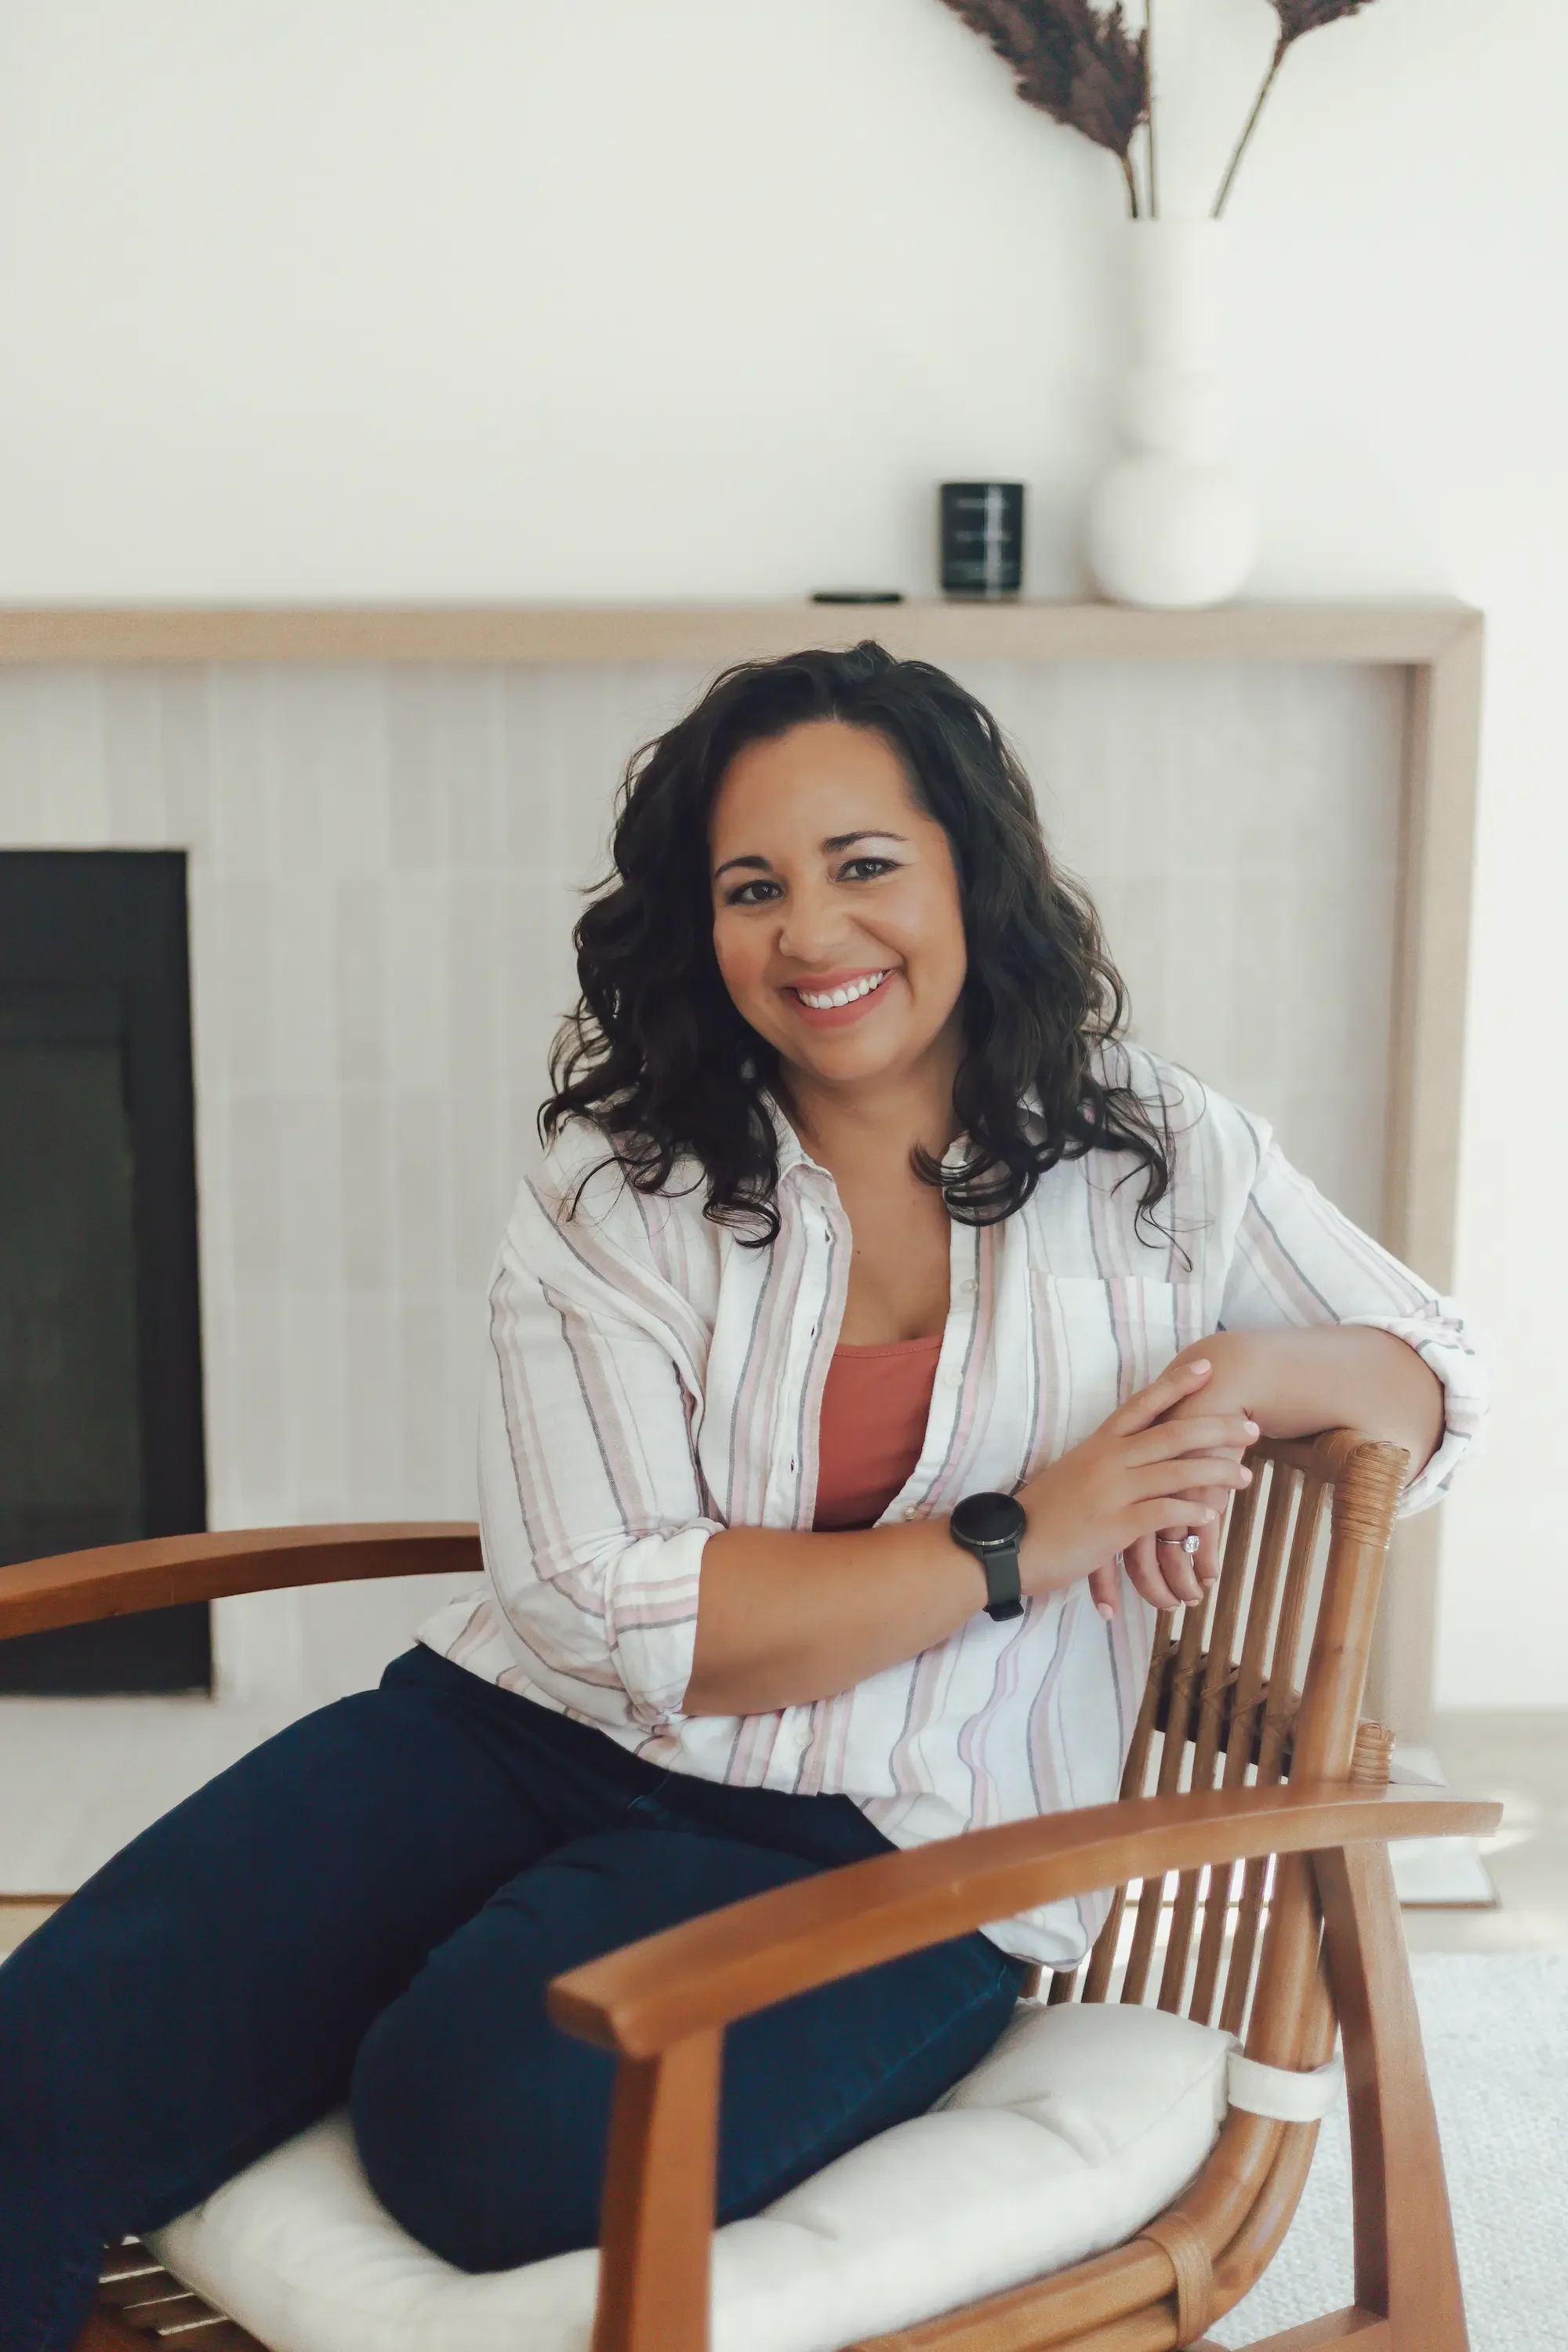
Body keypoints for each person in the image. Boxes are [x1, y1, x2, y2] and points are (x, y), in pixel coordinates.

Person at [0, 643, 1485, 2347]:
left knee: (489, 2145)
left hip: (900, 1835)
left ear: (967, 873)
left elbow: (1438, 1377)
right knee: (36, 2080)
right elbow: (604, 1607)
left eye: (865, 866)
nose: (811, 934)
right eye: (751, 887)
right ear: (698, 928)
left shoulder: (1157, 1155)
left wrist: (1210, 1386)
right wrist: (1021, 1541)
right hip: (516, 1732)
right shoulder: (619, 1182)